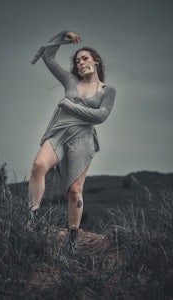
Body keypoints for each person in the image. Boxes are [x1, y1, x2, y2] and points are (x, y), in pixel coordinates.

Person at [28, 31, 116, 253]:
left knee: (74, 192)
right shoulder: (70, 80)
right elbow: (48, 56)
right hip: (58, 133)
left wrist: (69, 106)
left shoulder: (107, 90)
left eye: (84, 58)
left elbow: (101, 117)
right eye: (77, 61)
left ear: (96, 61)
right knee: (38, 166)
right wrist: (62, 35)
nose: (80, 62)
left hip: (82, 139)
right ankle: (32, 220)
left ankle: (72, 238)